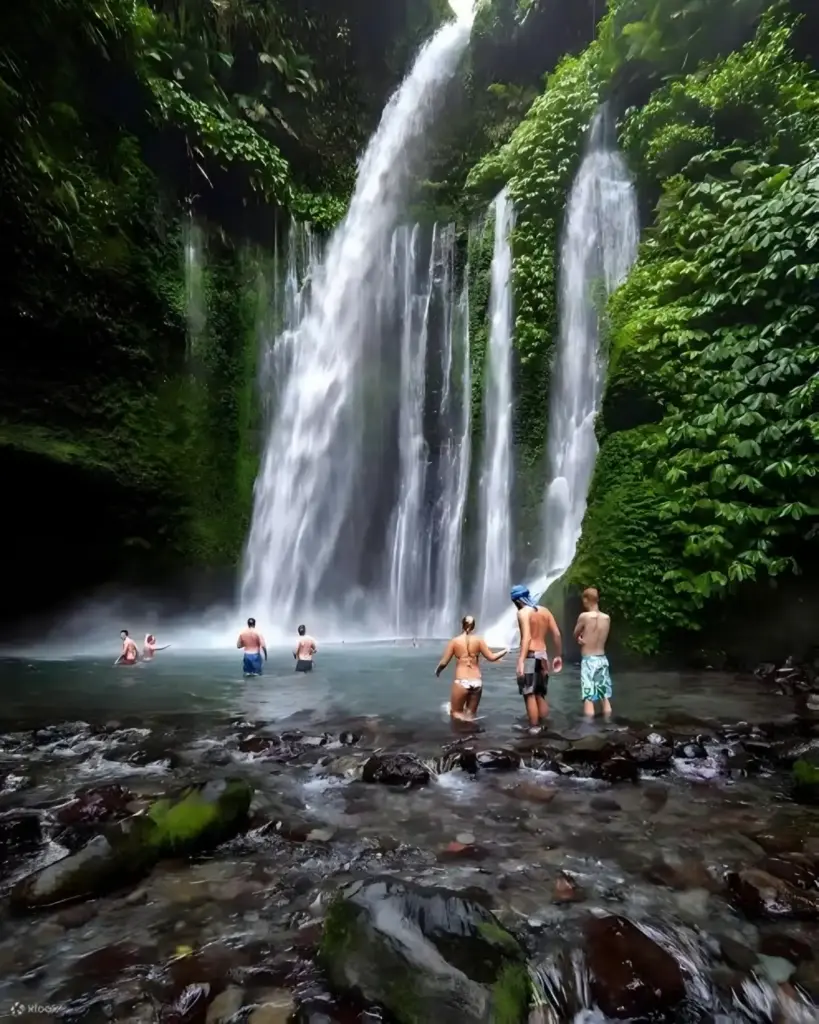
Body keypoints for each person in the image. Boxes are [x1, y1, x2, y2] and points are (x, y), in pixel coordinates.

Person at [435, 614, 508, 721]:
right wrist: (505, 650)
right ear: (473, 626)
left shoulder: (455, 641)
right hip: (477, 681)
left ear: (462, 625)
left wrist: (438, 671)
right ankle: (472, 734)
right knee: (471, 715)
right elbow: (492, 657)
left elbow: (444, 662)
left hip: (462, 680)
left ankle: (461, 736)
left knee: (455, 712)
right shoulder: (479, 640)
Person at [510, 584, 563, 728]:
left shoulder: (523, 613)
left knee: (529, 693)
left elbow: (526, 638)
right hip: (543, 656)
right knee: (540, 693)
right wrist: (558, 655)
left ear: (517, 601)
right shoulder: (545, 611)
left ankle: (534, 729)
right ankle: (545, 726)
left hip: (530, 656)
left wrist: (521, 661)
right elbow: (557, 634)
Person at [574, 587, 613, 717]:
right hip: (602, 658)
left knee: (588, 696)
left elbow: (575, 634)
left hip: (589, 660)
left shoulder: (584, 616)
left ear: (586, 599)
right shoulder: (607, 618)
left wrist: (579, 638)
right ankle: (608, 721)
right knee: (604, 695)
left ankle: (588, 728)